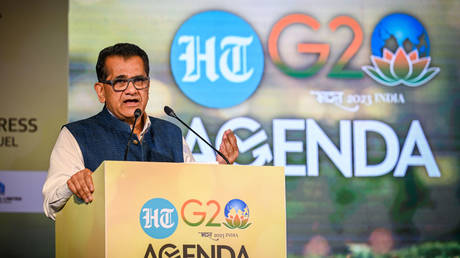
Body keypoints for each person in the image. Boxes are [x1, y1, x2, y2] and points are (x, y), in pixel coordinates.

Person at [42, 43, 239, 220]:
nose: (132, 90)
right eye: (120, 82)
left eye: (139, 81)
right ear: (101, 91)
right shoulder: (76, 135)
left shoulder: (171, 133)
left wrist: (220, 169)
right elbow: (51, 204)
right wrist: (71, 185)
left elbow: (194, 194)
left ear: (148, 86)